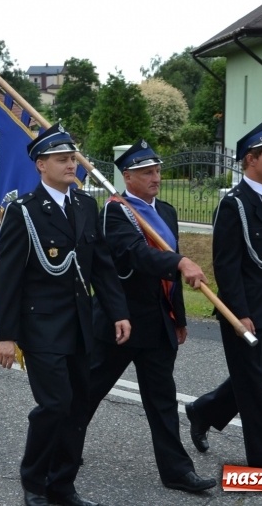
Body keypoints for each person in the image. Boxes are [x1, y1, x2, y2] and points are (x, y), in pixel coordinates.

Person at [0, 123, 131, 506]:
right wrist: (5, 335)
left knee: (78, 407)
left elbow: (101, 265)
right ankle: (34, 482)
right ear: (41, 164)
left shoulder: (86, 205)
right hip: (40, 326)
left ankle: (63, 485)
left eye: (72, 158)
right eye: (62, 159)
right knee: (54, 405)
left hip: (80, 325)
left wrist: (118, 310)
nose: (72, 164)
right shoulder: (24, 210)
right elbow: (7, 277)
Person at [86, 139, 216, 493]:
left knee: (162, 400)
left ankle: (177, 472)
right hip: (121, 321)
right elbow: (136, 255)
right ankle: (60, 448)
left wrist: (179, 318)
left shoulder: (168, 212)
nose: (156, 177)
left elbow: (170, 277)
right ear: (128, 177)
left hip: (158, 324)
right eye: (147, 172)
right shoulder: (116, 212)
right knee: (87, 393)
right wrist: (179, 262)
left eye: (157, 171)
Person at [186, 121, 262, 473]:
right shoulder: (233, 204)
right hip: (242, 310)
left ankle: (203, 410)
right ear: (251, 160)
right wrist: (238, 314)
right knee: (251, 386)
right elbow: (226, 264)